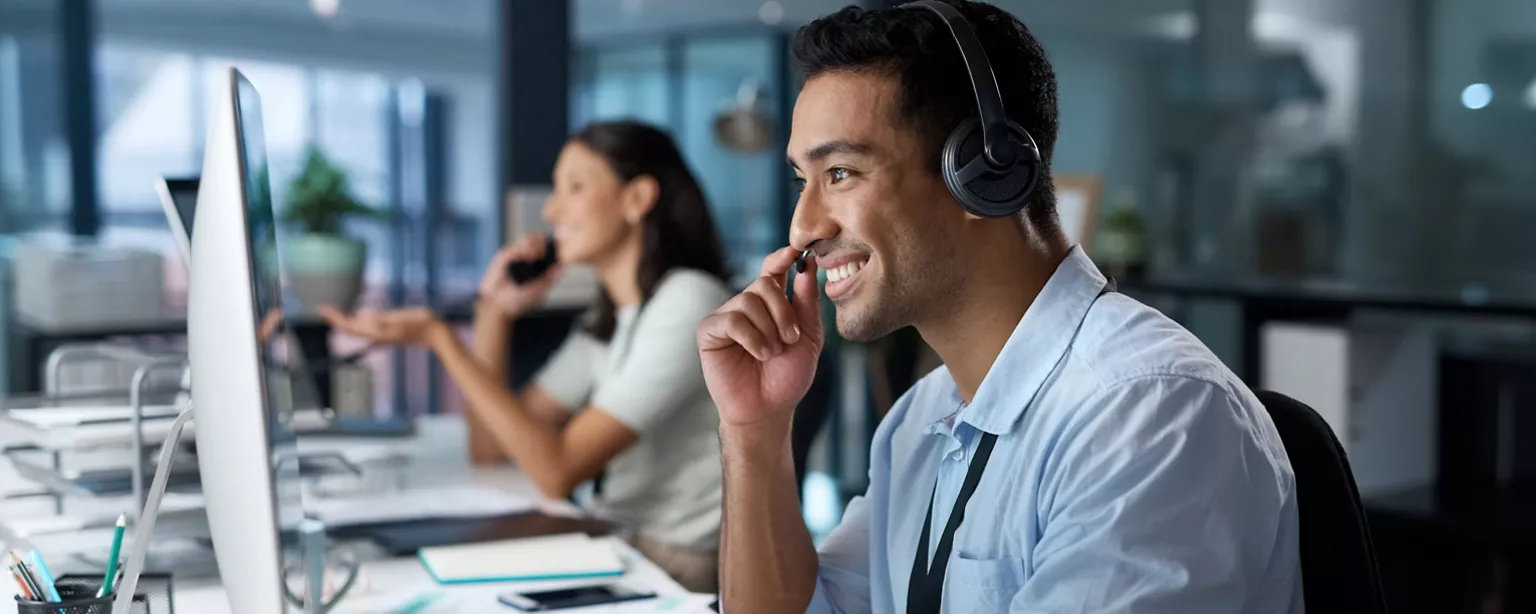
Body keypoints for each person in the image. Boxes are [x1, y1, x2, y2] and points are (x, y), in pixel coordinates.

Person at [694, 2, 1303, 612]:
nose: (802, 228)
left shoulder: (1146, 411)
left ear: (985, 173)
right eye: (805, 180)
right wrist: (754, 433)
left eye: (843, 173)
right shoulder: (919, 422)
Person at [322, 120, 733, 593]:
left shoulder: (688, 302)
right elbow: (492, 449)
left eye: (574, 188)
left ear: (637, 199)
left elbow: (556, 471)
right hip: (620, 542)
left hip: (674, 566)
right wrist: (494, 314)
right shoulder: (610, 317)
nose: (554, 211)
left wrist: (441, 338)